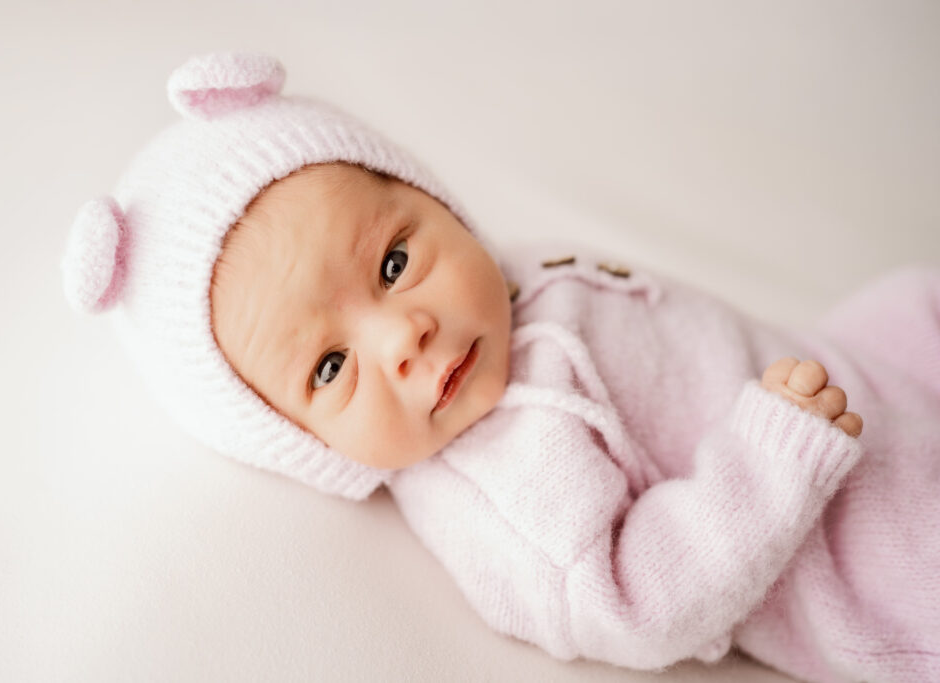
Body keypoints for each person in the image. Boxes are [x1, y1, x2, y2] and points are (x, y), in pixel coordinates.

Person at [61, 52, 940, 683]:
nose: (403, 335)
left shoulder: (504, 278)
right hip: (839, 537)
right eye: (330, 367)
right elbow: (632, 602)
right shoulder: (500, 474)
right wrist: (766, 463)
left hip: (843, 362)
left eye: (394, 263)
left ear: (434, 202)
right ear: (302, 442)